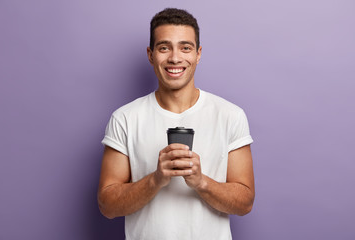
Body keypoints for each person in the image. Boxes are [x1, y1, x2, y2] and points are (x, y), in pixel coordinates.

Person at [97, 8, 255, 240]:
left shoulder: (230, 115)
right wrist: (155, 179)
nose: (175, 58)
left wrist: (201, 181)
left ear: (198, 54)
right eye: (164, 47)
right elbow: (107, 205)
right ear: (151, 55)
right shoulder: (125, 118)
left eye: (185, 47)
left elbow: (245, 203)